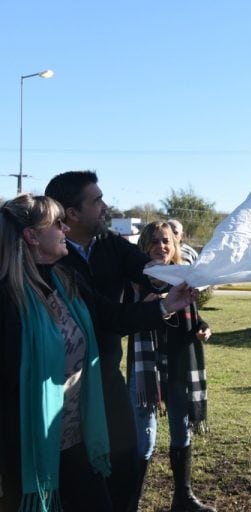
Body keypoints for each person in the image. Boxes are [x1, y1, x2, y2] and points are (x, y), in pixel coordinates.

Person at [0, 194, 197, 512]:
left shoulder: (66, 281)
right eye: (56, 223)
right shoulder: (9, 300)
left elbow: (112, 317)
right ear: (32, 236)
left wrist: (166, 304)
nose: (65, 229)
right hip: (30, 448)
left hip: (77, 438)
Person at [45, 170, 154, 512]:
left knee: (126, 460)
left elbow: (150, 270)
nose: (105, 206)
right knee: (76, 470)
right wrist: (163, 306)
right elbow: (102, 315)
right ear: (72, 213)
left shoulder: (109, 244)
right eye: (97, 200)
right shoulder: (53, 258)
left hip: (105, 370)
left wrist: (178, 279)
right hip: (65, 385)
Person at [127, 221, 215, 512]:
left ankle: (183, 498)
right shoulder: (135, 279)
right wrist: (146, 308)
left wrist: (202, 328)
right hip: (146, 368)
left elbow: (192, 315)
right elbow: (120, 319)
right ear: (143, 247)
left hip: (180, 363)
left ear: (174, 244)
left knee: (182, 430)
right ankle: (130, 503)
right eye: (153, 242)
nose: (160, 247)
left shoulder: (184, 277)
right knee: (144, 440)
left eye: (165, 241)